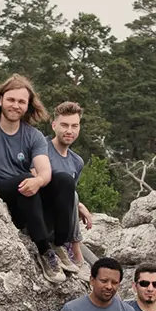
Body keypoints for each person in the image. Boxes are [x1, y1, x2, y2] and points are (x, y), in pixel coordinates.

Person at [0, 75, 76, 281]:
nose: (15, 105)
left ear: (28, 106)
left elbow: (44, 171)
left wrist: (37, 181)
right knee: (24, 179)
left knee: (64, 180)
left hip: (26, 197)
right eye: (11, 100)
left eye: (21, 102)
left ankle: (59, 244)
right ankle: (44, 250)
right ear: (0, 100)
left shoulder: (33, 136)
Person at [46, 101, 96, 270]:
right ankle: (75, 250)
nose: (69, 131)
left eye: (74, 126)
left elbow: (68, 195)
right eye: (64, 125)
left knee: (99, 266)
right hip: (44, 219)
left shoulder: (77, 161)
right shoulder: (41, 149)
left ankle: (75, 246)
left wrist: (79, 205)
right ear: (54, 125)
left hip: (65, 227)